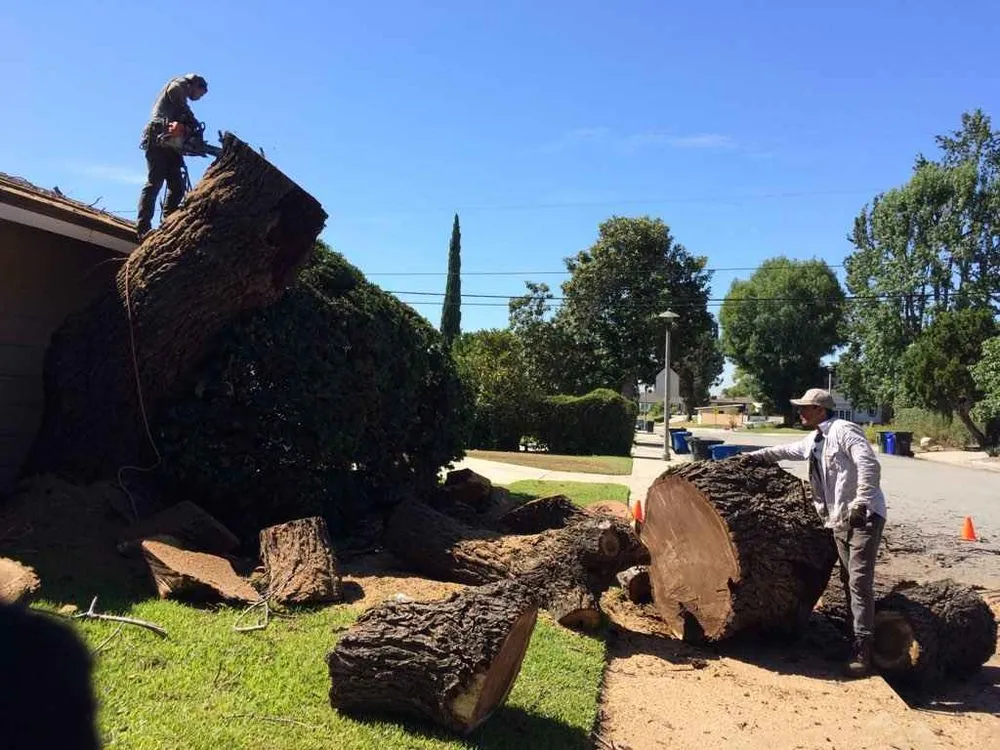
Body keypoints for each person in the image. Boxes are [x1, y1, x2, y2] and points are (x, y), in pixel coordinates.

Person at [740, 388, 887, 678]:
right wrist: (752, 457)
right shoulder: (816, 438)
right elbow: (784, 451)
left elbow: (868, 463)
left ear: (821, 409)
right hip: (840, 518)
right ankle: (854, 636)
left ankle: (864, 648)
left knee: (858, 580)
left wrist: (861, 501)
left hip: (863, 517)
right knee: (848, 579)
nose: (801, 412)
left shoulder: (845, 430)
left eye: (806, 408)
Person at [136, 74, 209, 239]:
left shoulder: (180, 103)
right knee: (155, 182)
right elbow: (177, 94)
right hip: (157, 138)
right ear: (195, 85)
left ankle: (168, 223)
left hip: (171, 146)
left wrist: (189, 128)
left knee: (177, 187)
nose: (199, 97)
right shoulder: (179, 85)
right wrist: (192, 121)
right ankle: (143, 227)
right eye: (201, 93)